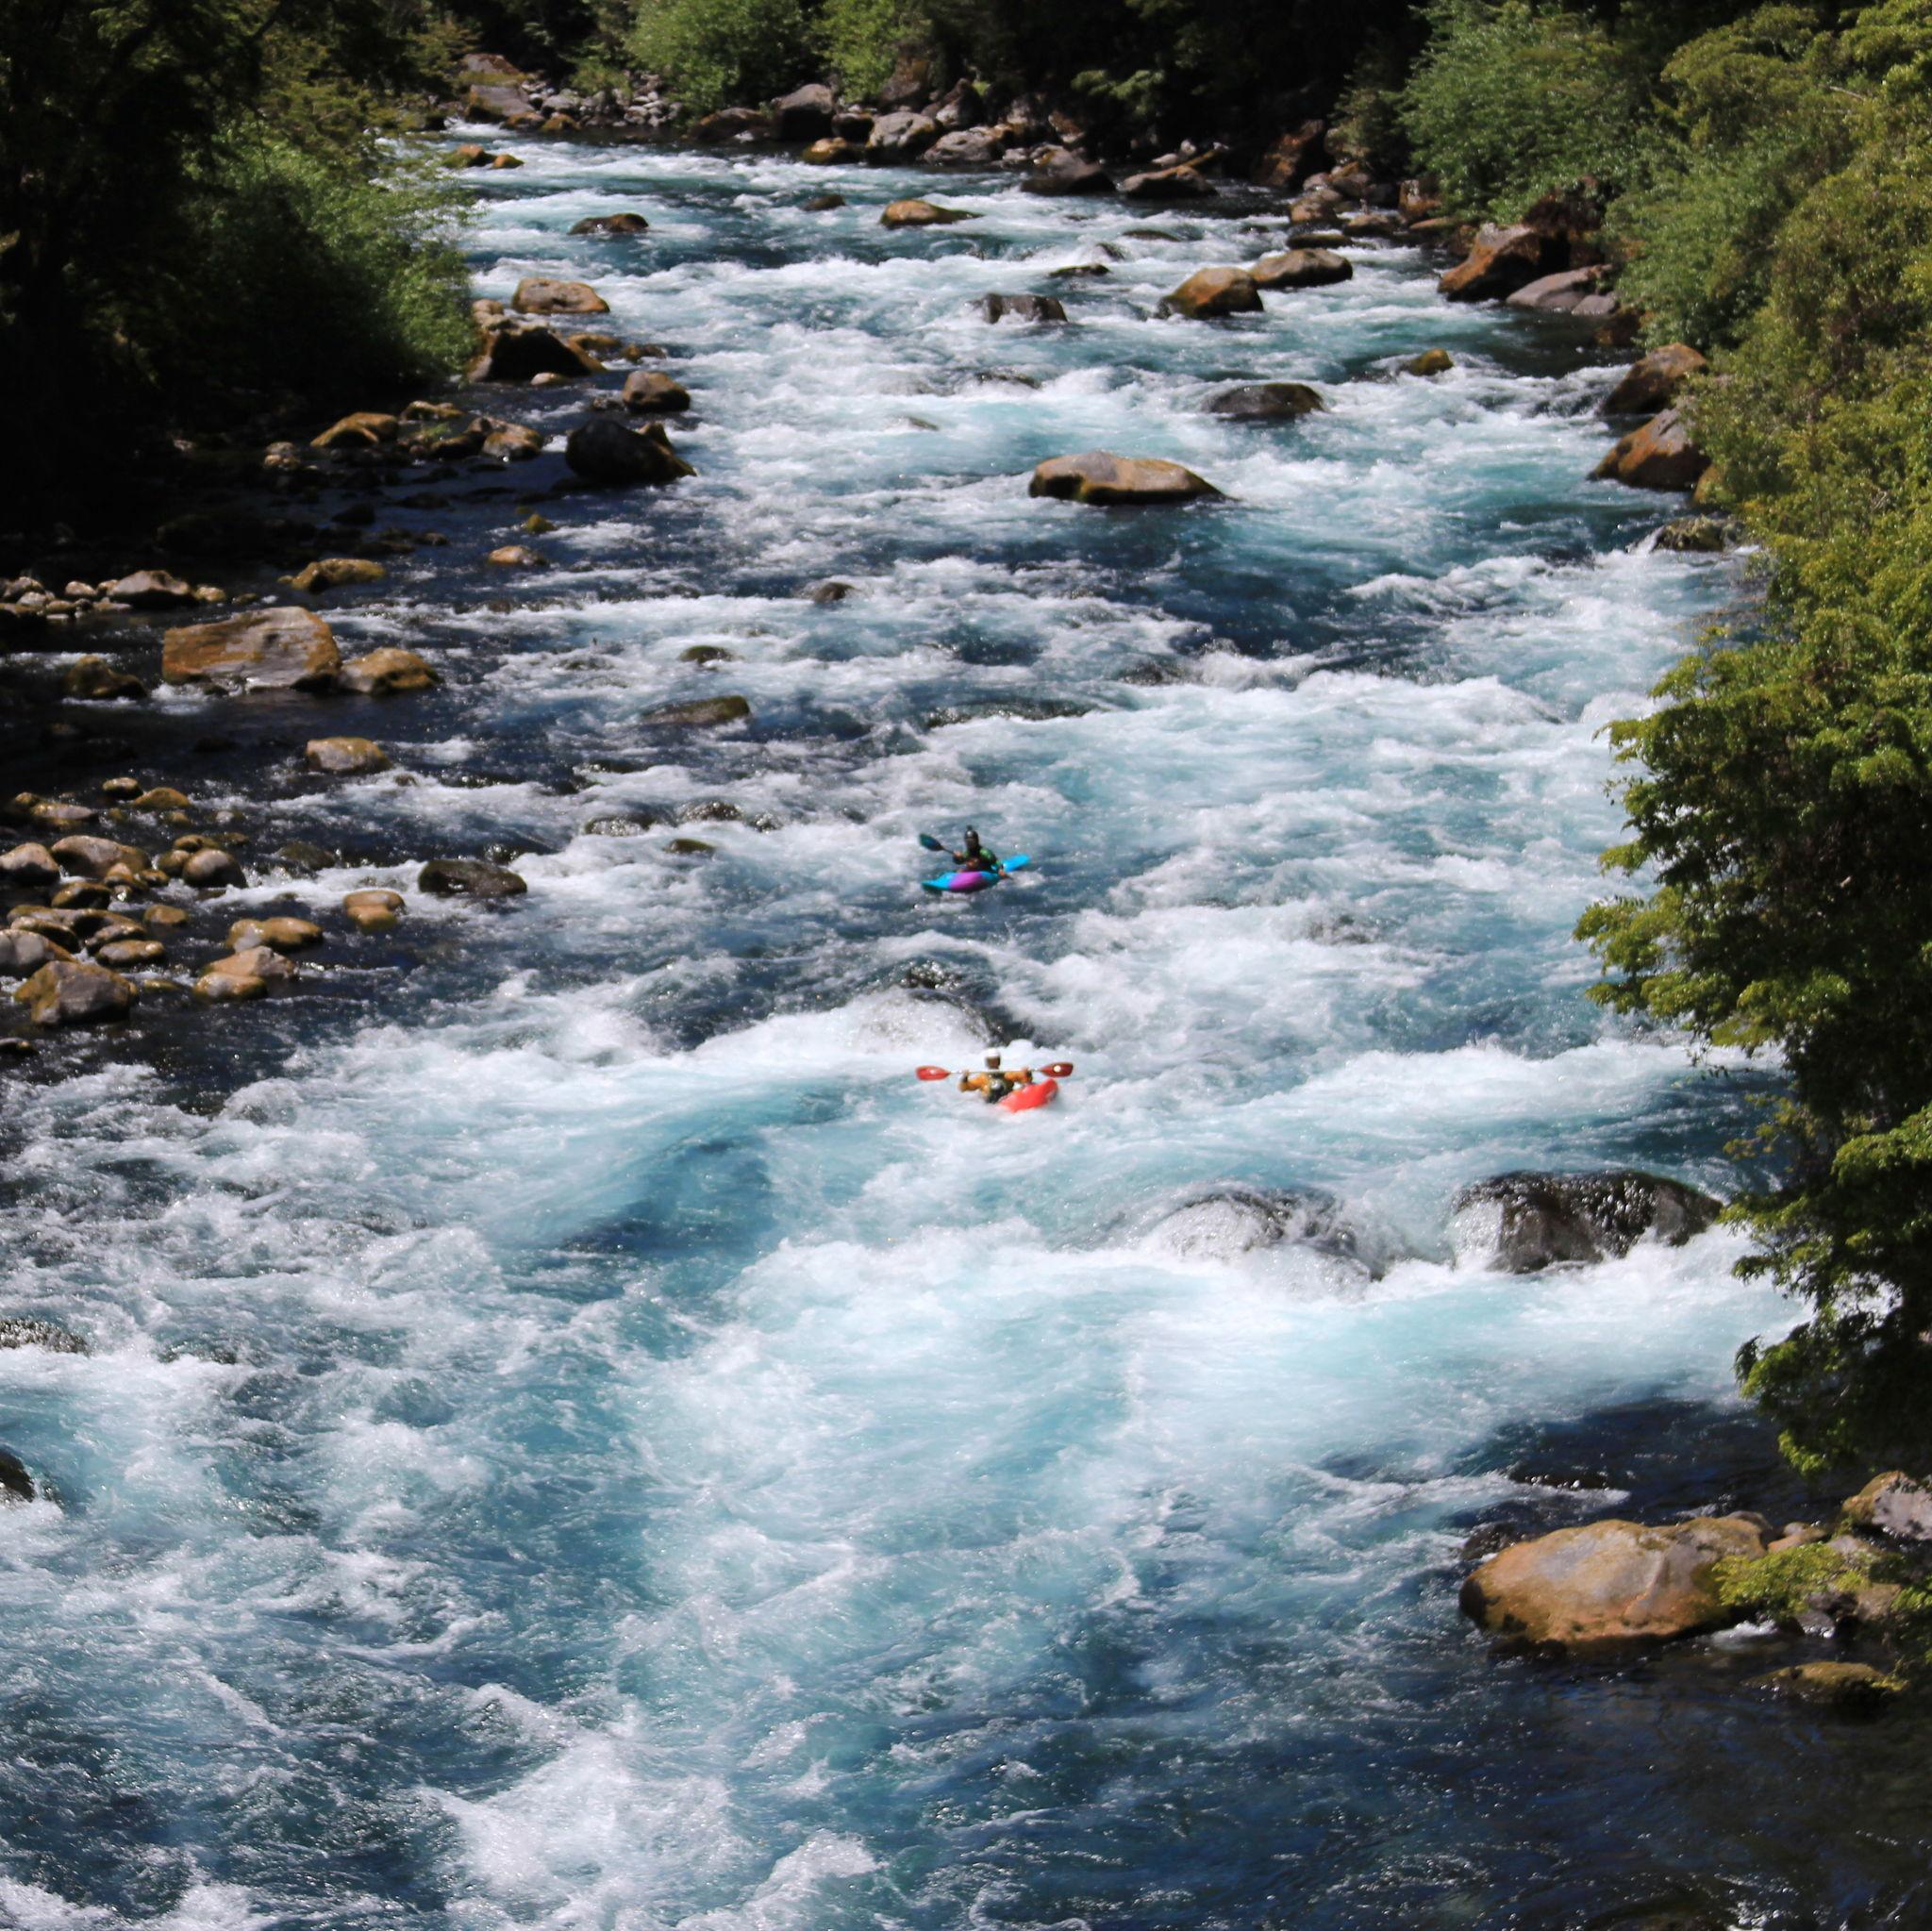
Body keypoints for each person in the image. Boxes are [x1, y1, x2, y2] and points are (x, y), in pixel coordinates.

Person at [958, 1050, 1035, 1104]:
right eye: (991, 1062)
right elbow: (964, 1088)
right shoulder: (982, 1078)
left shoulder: (1007, 1074)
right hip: (990, 1103)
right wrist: (965, 1077)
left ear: (999, 1062)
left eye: (995, 1061)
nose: (993, 1064)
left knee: (1028, 1086)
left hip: (1007, 1099)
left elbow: (1025, 1079)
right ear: (987, 1063)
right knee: (994, 1090)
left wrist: (1027, 1073)